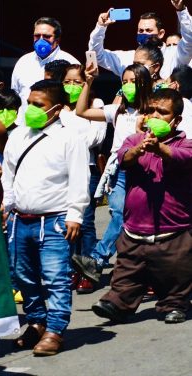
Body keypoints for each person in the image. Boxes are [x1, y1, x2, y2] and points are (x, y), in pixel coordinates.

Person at [2, 80, 90, 356]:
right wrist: (7, 204)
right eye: (29, 103)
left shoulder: (70, 139)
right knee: (22, 276)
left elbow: (79, 178)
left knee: (55, 278)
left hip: (53, 222)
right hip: (19, 220)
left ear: (57, 109)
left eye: (38, 105)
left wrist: (75, 215)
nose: (31, 109)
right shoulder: (18, 135)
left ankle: (54, 330)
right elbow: (8, 173)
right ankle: (37, 322)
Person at [91, 89, 192, 324]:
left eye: (162, 112)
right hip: (134, 229)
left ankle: (174, 303)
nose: (155, 116)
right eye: (151, 111)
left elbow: (181, 157)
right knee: (127, 271)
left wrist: (160, 149)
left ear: (176, 120)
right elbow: (124, 158)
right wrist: (139, 150)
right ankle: (118, 303)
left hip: (173, 230)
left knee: (175, 273)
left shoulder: (186, 144)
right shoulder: (134, 140)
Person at [73, 64, 153, 286]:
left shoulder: (152, 112)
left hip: (142, 170)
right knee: (120, 214)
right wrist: (88, 83)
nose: (128, 86)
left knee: (127, 218)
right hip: (119, 170)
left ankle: (99, 260)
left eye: (132, 81)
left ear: (144, 83)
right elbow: (82, 111)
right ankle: (100, 261)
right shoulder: (117, 111)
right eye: (124, 81)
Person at [60, 64, 107, 293]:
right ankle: (70, 268)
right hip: (62, 171)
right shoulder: (57, 108)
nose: (71, 86)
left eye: (77, 82)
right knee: (66, 222)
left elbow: (94, 138)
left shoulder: (96, 106)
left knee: (86, 221)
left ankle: (87, 269)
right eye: (67, 82)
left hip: (87, 169)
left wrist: (67, 140)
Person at [88, 2, 192, 79]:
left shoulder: (174, 54)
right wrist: (101, 27)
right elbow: (97, 55)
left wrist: (181, 11)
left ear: (161, 34)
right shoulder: (127, 58)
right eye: (141, 30)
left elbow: (189, 40)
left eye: (148, 30)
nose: (144, 33)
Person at [11, 17, 79, 125]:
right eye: (37, 36)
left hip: (57, 129)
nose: (41, 40)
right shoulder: (23, 62)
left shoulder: (71, 64)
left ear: (57, 39)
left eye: (47, 36)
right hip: (24, 127)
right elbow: (15, 95)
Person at [159, 65, 192, 137]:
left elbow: (188, 137)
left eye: (166, 82)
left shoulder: (184, 107)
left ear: (174, 85)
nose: (162, 85)